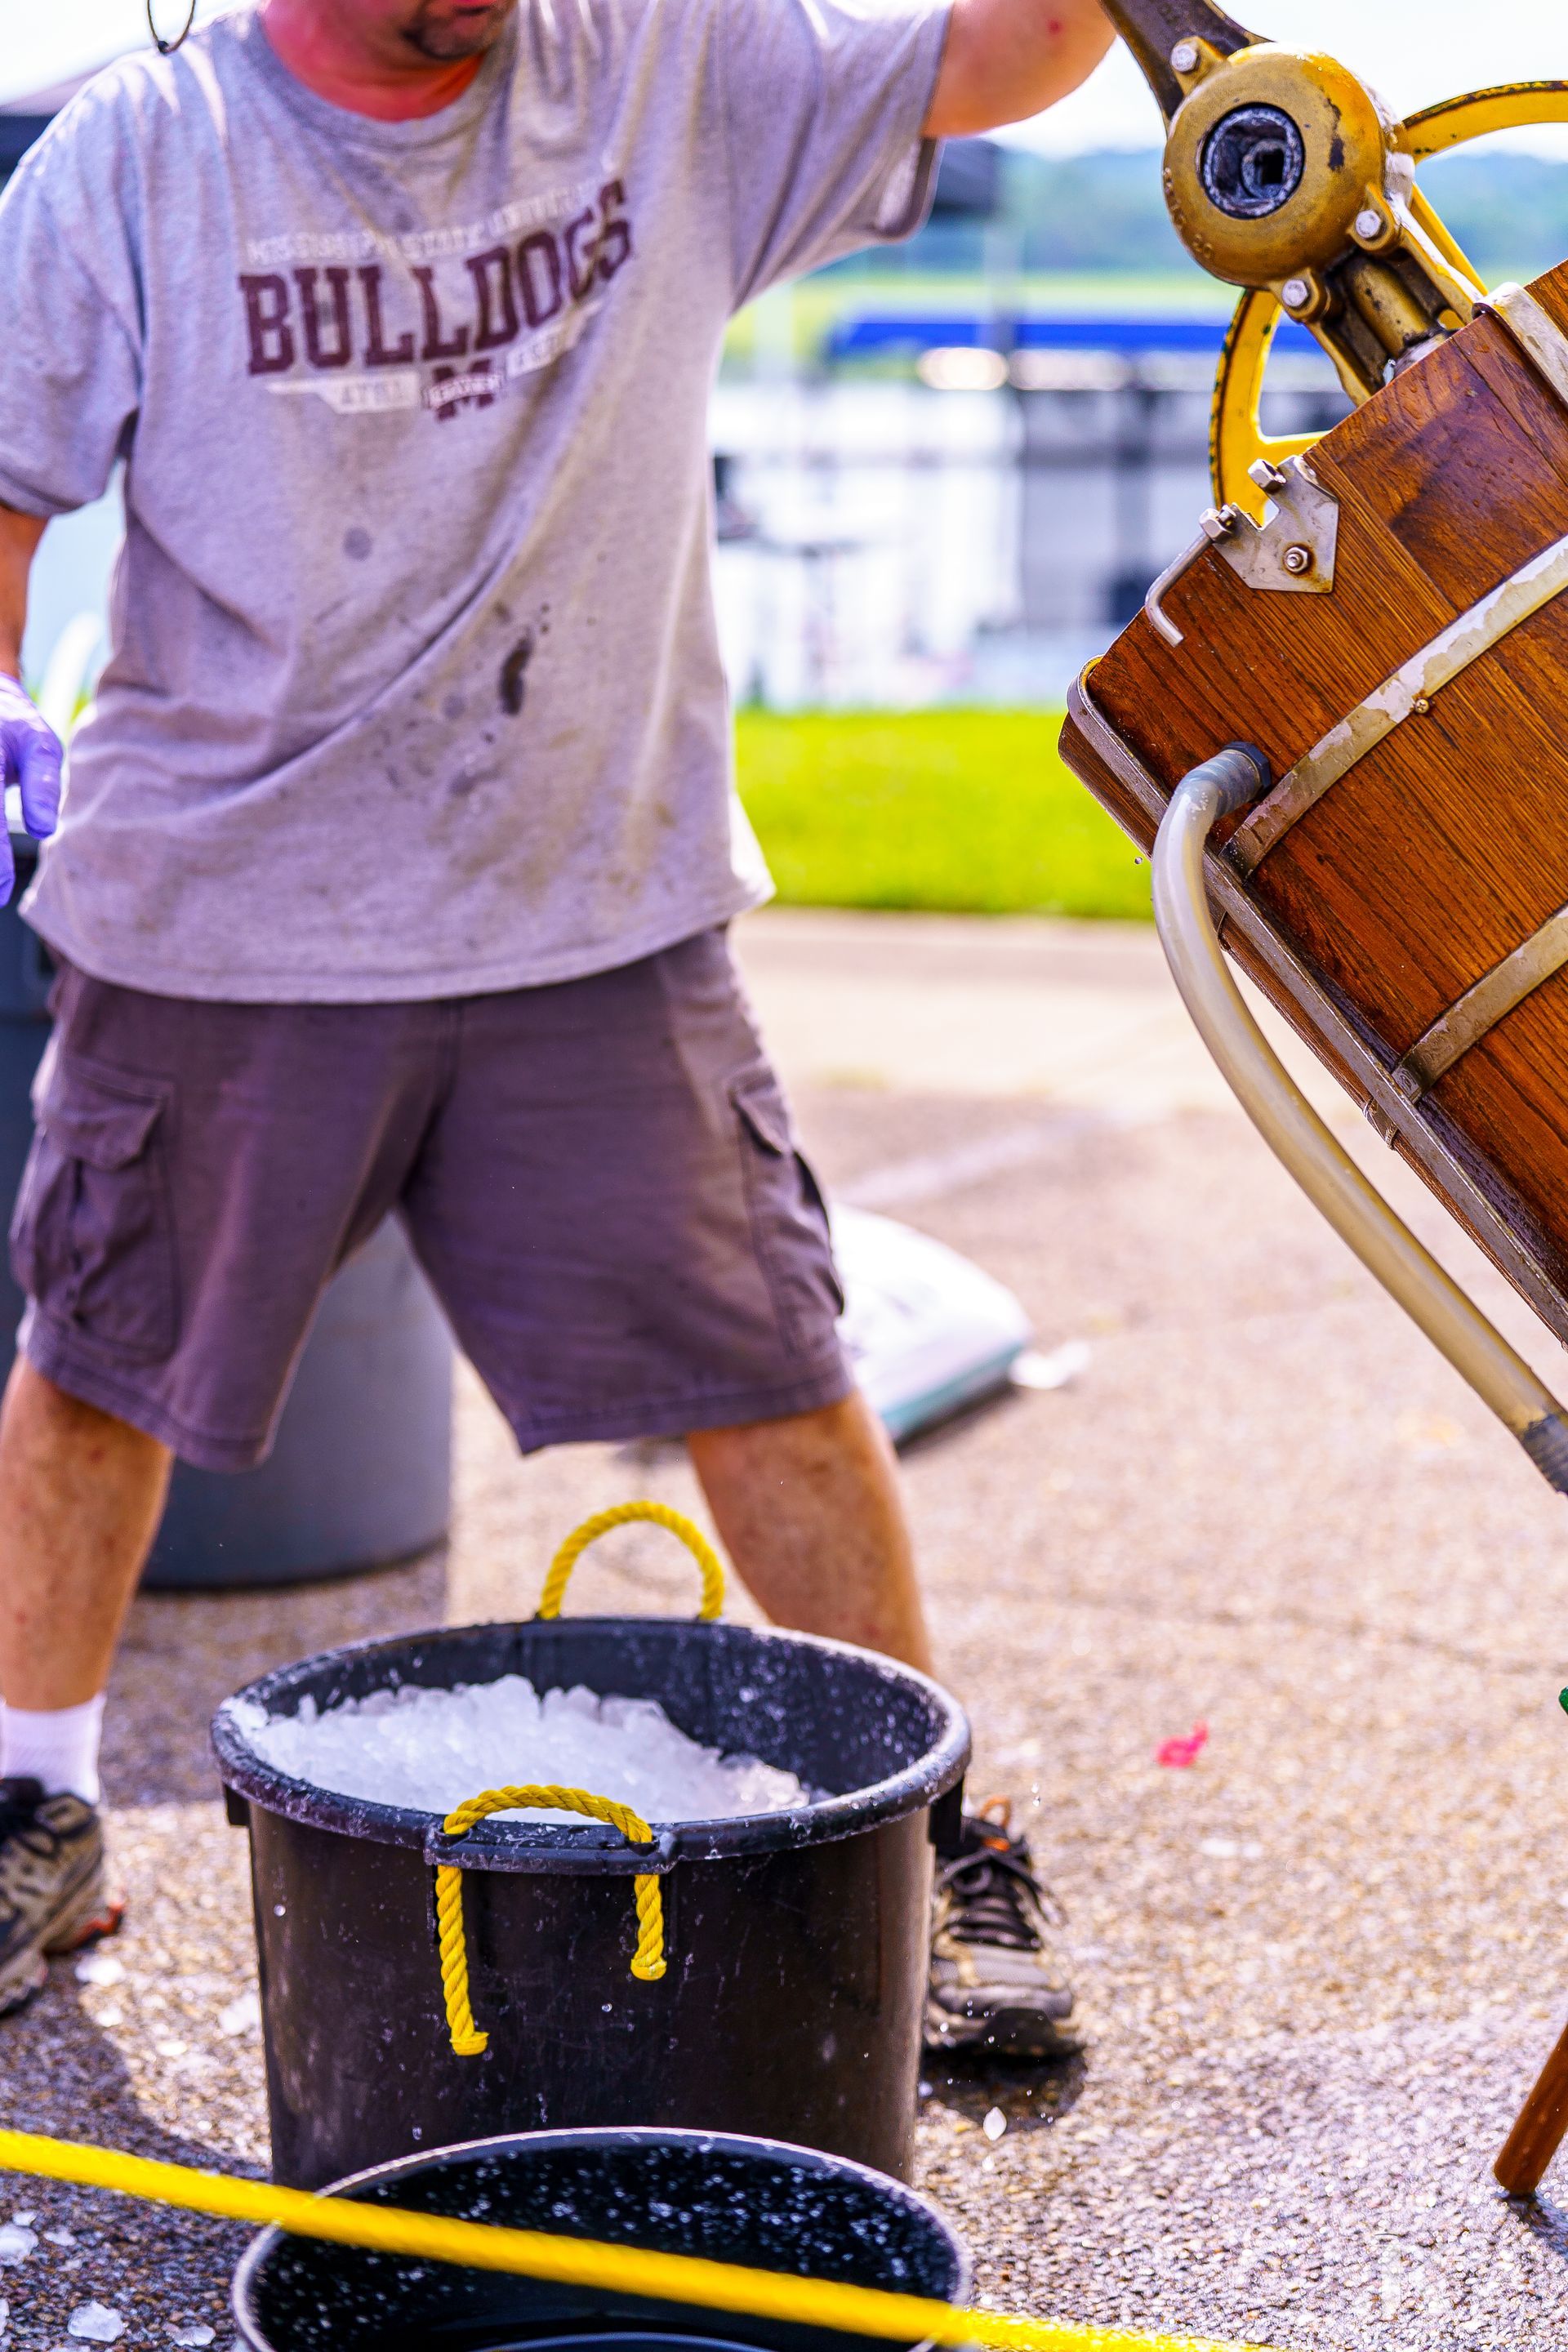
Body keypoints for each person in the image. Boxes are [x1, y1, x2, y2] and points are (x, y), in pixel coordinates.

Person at [0, 0, 1111, 2051]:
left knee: (773, 1373)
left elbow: (1020, 50)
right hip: (223, 919)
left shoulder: (669, 69)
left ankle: (940, 1839)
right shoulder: (139, 156)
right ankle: (35, 1810)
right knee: (95, 1372)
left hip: (588, 915)